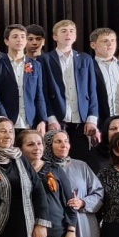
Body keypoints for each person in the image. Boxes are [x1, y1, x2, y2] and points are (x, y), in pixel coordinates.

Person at [39, 20, 98, 161]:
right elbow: (42, 92)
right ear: (55, 36)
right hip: (58, 120)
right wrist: (50, 118)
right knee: (56, 160)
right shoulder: (45, 59)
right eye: (64, 31)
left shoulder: (85, 58)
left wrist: (92, 118)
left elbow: (92, 90)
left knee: (81, 159)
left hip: (81, 120)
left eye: (71, 31)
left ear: (75, 36)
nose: (68, 34)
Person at [0, 24, 48, 134]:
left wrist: (42, 120)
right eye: (15, 36)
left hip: (30, 121)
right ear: (6, 41)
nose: (19, 40)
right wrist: (4, 119)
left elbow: (39, 95)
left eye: (22, 37)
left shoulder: (35, 65)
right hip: (7, 122)